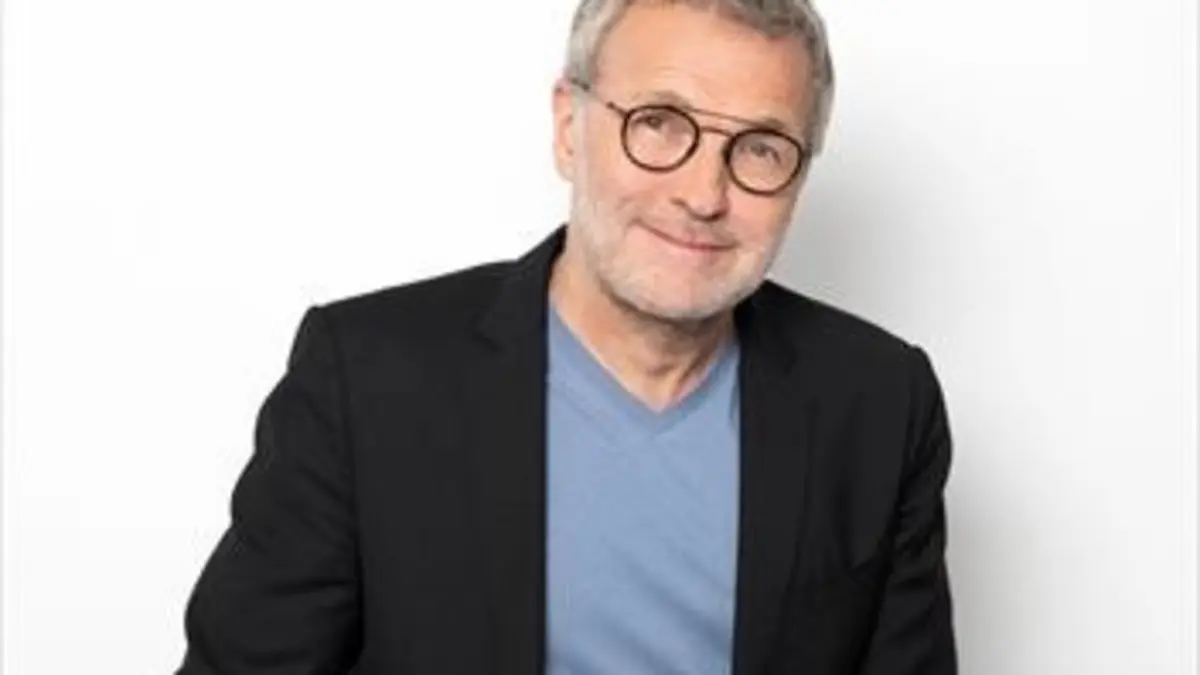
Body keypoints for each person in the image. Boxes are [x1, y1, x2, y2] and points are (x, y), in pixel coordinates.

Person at [175, 1, 958, 673]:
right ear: (567, 128)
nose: (704, 194)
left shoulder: (881, 404)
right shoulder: (367, 379)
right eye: (659, 124)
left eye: (759, 147)